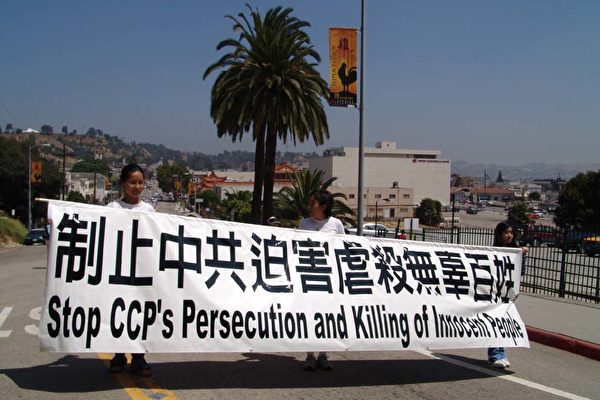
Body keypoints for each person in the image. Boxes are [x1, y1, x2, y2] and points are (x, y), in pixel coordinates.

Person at [107, 164, 155, 377]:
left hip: (141, 272)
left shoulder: (148, 210)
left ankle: (138, 358)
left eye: (141, 182)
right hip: (118, 271)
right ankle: (118, 355)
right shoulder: (112, 208)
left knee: (139, 316)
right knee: (118, 313)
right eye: (132, 182)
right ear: (123, 184)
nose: (137, 187)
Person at [298, 190, 345, 371]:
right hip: (309, 276)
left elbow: (343, 247)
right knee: (310, 315)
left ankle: (323, 355)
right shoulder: (304, 224)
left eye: (313, 203)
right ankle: (309, 355)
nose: (309, 207)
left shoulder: (336, 224)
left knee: (327, 315)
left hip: (329, 278)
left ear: (324, 206)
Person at [487, 221, 528, 369]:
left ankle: (500, 354)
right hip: (494, 293)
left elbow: (520, 272)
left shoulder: (514, 251)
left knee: (503, 324)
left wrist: (522, 256)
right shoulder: (493, 251)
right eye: (506, 232)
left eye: (511, 232)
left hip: (507, 294)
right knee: (495, 322)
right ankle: (495, 355)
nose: (509, 235)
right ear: (499, 235)